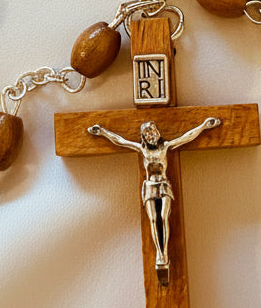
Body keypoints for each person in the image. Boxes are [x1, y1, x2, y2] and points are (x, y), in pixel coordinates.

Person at [87, 117, 221, 284]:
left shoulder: (165, 147)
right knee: (152, 219)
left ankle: (163, 253)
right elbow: (120, 141)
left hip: (164, 185)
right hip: (150, 186)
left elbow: (187, 137)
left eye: (153, 132)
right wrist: (102, 132)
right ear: (144, 137)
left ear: (158, 133)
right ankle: (159, 253)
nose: (152, 135)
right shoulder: (142, 150)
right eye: (148, 134)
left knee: (164, 217)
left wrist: (203, 126)